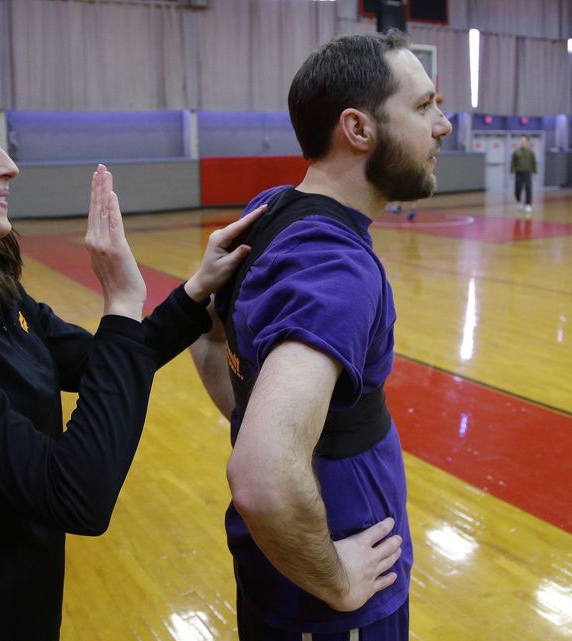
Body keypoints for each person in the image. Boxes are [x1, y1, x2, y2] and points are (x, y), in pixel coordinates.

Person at [0, 76, 263, 641]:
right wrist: (121, 301)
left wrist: (191, 295)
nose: (9, 166)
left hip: (23, 611)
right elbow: (75, 493)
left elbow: (99, 363)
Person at [189, 31, 451, 640]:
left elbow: (207, 342)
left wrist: (263, 419)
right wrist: (336, 581)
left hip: (283, 574)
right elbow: (261, 475)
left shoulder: (274, 208)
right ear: (358, 129)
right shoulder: (336, 270)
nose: (441, 125)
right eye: (422, 107)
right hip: (335, 605)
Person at [510, 135, 537, 216]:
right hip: (518, 172)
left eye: (524, 141)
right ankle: (518, 201)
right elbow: (513, 162)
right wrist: (512, 172)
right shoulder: (516, 152)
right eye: (521, 141)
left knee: (528, 188)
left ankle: (528, 204)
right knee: (517, 188)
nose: (522, 143)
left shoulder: (531, 152)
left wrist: (535, 172)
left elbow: (534, 163)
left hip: (527, 172)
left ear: (528, 142)